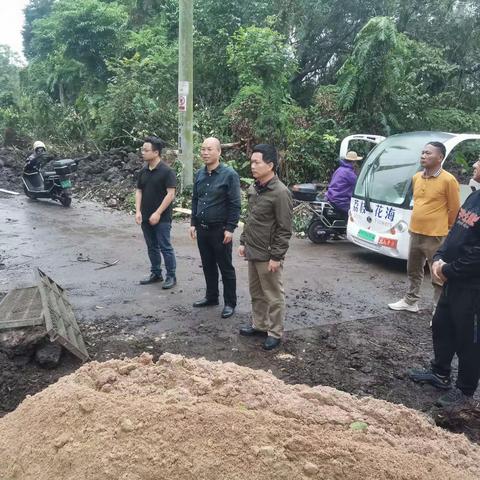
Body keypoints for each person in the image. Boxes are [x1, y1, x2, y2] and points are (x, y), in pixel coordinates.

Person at [408, 160, 480, 410]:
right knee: (442, 325)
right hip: (454, 280)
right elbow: (455, 232)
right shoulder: (474, 197)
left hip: (473, 288)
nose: (475, 164)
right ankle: (440, 373)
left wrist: (448, 269)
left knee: (469, 339)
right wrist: (439, 258)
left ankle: (465, 390)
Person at [388, 142, 460, 313]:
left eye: (428, 153)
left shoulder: (448, 180)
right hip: (415, 232)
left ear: (440, 157)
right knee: (413, 269)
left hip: (436, 235)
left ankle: (438, 310)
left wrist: (446, 230)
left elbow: (455, 209)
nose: (423, 156)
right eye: (422, 153)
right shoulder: (417, 177)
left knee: (437, 273)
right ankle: (411, 301)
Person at [238, 144, 293, 350]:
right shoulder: (255, 188)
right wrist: (243, 241)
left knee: (273, 294)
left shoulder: (280, 193)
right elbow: (250, 219)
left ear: (270, 165)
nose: (252, 166)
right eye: (251, 162)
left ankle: (275, 332)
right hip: (253, 250)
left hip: (269, 254)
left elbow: (284, 228)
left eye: (256, 162)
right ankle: (259, 325)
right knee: (256, 292)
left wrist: (276, 257)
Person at [190, 137, 241, 318]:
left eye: (209, 149)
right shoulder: (199, 174)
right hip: (203, 229)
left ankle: (230, 303)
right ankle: (211, 297)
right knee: (208, 265)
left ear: (219, 152)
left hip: (220, 230)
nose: (205, 152)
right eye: (203, 149)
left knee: (225, 267)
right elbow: (196, 199)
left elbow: (235, 204)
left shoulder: (229, 175)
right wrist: (193, 223)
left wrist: (230, 228)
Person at [135, 136, 177, 289]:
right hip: (145, 216)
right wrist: (138, 211)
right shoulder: (143, 171)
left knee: (165, 246)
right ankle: (156, 273)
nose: (143, 153)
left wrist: (158, 213)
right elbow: (139, 191)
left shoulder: (167, 171)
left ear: (156, 152)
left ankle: (171, 276)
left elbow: (170, 194)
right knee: (151, 246)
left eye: (146, 150)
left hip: (162, 218)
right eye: (142, 150)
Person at [325, 150, 363, 219]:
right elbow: (359, 185)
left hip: (331, 197)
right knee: (355, 213)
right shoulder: (349, 173)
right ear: (354, 162)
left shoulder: (339, 169)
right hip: (340, 200)